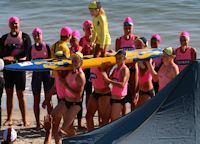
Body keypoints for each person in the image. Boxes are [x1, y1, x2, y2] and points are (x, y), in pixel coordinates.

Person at [0, 16, 32, 126]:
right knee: (9, 93)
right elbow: (1, 54)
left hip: (20, 68)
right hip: (8, 69)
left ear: (19, 24)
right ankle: (9, 118)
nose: (14, 25)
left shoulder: (25, 37)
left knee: (20, 94)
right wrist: (7, 54)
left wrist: (13, 57)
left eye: (16, 23)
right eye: (12, 23)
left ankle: (24, 119)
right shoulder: (4, 38)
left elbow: (26, 52)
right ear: (9, 25)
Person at [26, 27, 53, 129]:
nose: (37, 37)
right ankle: (37, 123)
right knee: (36, 100)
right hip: (35, 75)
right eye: (35, 35)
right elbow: (27, 63)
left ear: (42, 35)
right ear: (33, 37)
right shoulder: (31, 48)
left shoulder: (47, 47)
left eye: (39, 35)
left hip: (46, 75)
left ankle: (50, 121)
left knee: (48, 99)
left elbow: (52, 61)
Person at [115, 17, 138, 112]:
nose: (128, 29)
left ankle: (133, 116)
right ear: (123, 28)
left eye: (129, 27)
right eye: (126, 27)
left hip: (133, 69)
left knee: (134, 95)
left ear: (132, 28)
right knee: (122, 95)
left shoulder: (136, 39)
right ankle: (123, 117)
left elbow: (142, 52)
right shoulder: (119, 40)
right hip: (123, 69)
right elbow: (116, 56)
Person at [102, 49, 130, 121]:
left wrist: (109, 80)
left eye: (119, 58)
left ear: (124, 58)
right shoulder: (116, 69)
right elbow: (107, 82)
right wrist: (106, 69)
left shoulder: (124, 69)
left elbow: (122, 85)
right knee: (105, 118)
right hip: (113, 97)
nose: (117, 60)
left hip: (119, 99)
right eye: (116, 58)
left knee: (114, 121)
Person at [135, 37, 155, 107]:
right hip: (141, 90)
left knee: (138, 113)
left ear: (145, 46)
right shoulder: (138, 57)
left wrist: (137, 59)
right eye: (136, 45)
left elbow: (143, 71)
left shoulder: (148, 58)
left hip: (147, 91)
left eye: (139, 45)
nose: (137, 47)